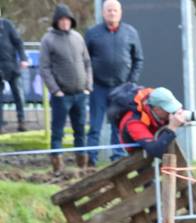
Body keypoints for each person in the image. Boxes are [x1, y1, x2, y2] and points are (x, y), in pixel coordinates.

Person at [84, 0, 143, 166]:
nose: (112, 13)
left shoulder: (130, 32)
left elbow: (138, 59)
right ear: (103, 13)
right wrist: (88, 81)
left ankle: (117, 156)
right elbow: (84, 60)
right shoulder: (92, 33)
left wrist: (131, 82)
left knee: (117, 125)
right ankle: (91, 159)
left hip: (121, 89)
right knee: (95, 125)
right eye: (109, 10)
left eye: (115, 10)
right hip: (98, 87)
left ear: (120, 12)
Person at [40, 4, 92, 174]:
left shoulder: (78, 37)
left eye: (67, 20)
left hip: (80, 94)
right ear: (56, 21)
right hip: (61, 96)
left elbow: (87, 63)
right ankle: (57, 166)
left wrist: (87, 86)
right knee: (58, 132)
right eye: (61, 20)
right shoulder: (48, 39)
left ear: (71, 21)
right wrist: (56, 90)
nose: (65, 23)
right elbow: (45, 68)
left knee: (80, 131)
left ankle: (82, 165)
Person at [113, 86, 187, 159]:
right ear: (156, 109)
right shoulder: (134, 122)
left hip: (155, 142)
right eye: (169, 109)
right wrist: (172, 127)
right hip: (138, 153)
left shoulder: (157, 106)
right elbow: (156, 151)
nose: (172, 112)